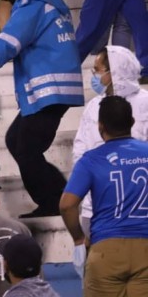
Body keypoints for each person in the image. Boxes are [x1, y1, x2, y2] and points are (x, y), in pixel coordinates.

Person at [0, 0, 84, 218]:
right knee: (16, 141)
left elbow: (11, 39)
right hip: (55, 88)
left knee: (27, 149)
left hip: (49, 89)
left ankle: (55, 203)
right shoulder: (51, 3)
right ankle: (59, 197)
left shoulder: (33, 5)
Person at [60, 96, 148, 295]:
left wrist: (78, 239)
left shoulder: (91, 160)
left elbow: (67, 205)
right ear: (132, 122)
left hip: (106, 249)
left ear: (101, 127)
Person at [73, 46, 148, 240]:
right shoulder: (93, 107)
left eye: (97, 70)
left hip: (139, 207)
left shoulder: (145, 103)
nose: (94, 75)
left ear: (114, 72)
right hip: (97, 207)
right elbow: (80, 149)